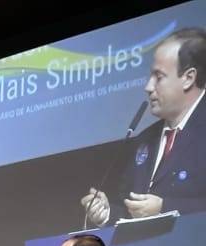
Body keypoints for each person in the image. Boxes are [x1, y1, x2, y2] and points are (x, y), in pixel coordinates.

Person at [81, 28, 206, 227]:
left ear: (188, 78)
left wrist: (165, 208)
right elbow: (132, 212)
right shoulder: (145, 139)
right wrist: (107, 213)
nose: (148, 87)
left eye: (159, 77)